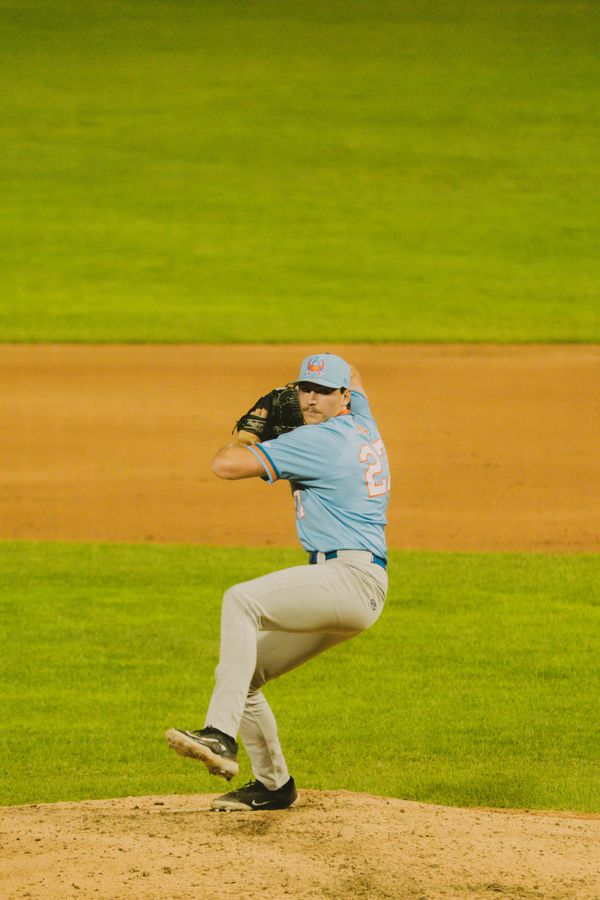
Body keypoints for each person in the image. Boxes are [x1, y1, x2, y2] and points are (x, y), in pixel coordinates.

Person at [165, 352, 390, 811]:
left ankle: (219, 734)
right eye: (305, 388)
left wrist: (251, 430)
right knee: (244, 676)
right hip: (358, 584)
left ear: (343, 396)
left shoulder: (318, 442)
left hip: (347, 580)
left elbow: (224, 465)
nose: (310, 399)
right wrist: (329, 379)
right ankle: (274, 785)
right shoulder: (362, 422)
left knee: (241, 601)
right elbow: (355, 373)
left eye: (323, 392)